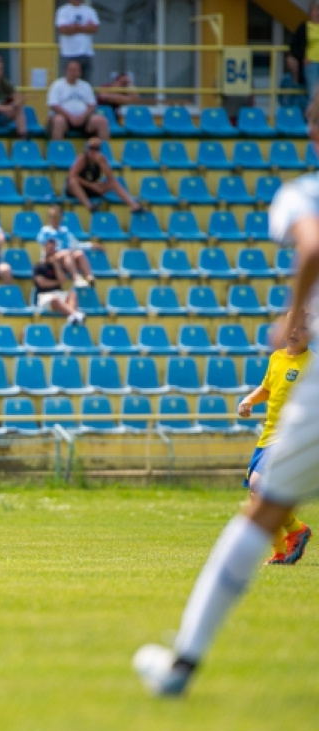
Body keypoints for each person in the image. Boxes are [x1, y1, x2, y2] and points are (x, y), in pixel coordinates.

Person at [133, 96, 319, 697]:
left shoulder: (301, 194)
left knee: (263, 512)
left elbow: (312, 247)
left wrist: (294, 315)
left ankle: (181, 666)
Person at [238, 311, 312, 565]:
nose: (294, 332)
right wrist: (249, 400)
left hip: (290, 435)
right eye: (290, 326)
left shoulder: (312, 365)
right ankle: (280, 551)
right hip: (268, 435)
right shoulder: (276, 358)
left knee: (259, 484)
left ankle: (297, 530)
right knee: (255, 495)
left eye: (301, 328)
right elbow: (267, 388)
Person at [66, 137, 142, 213]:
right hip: (79, 188)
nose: (93, 151)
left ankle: (134, 205)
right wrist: (91, 185)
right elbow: (72, 176)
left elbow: (110, 177)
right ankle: (90, 206)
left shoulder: (101, 159)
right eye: (91, 148)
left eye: (96, 149)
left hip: (92, 188)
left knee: (113, 183)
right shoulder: (82, 158)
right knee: (73, 181)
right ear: (87, 149)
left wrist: (102, 164)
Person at [47, 60, 109, 141]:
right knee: (59, 121)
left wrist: (82, 117)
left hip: (84, 120)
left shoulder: (86, 85)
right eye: (72, 70)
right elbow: (54, 105)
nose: (74, 73)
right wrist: (70, 117)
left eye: (77, 70)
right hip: (64, 119)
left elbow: (91, 105)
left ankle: (104, 151)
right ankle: (57, 150)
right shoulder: (57, 85)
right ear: (66, 71)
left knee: (101, 121)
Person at [36, 205, 95, 287]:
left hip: (66, 259)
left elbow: (76, 245)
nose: (55, 219)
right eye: (52, 217)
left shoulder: (65, 231)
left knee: (79, 253)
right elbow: (44, 249)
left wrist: (92, 245)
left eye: (57, 217)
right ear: (49, 217)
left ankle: (89, 277)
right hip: (50, 258)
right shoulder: (45, 231)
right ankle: (76, 278)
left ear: (61, 218)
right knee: (66, 252)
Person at [33, 233, 85, 324]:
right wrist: (57, 282)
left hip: (58, 293)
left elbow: (63, 280)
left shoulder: (57, 266)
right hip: (44, 296)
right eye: (49, 249)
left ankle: (73, 318)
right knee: (55, 299)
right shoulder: (38, 266)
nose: (51, 251)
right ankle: (75, 314)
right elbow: (42, 283)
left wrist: (56, 265)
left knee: (72, 294)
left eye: (53, 249)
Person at [55, 0, 100, 83]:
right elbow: (63, 29)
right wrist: (84, 27)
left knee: (86, 83)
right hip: (68, 53)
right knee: (67, 82)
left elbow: (94, 28)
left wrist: (74, 27)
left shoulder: (89, 10)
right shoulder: (63, 10)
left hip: (85, 53)